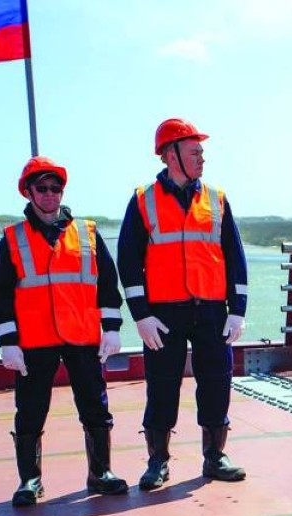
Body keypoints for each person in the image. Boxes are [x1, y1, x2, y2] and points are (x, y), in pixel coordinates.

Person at [0, 157, 128, 506]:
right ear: (29, 192)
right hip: (34, 341)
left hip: (82, 336)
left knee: (95, 404)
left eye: (56, 187)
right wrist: (8, 343)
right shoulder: (13, 239)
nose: (50, 194)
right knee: (30, 410)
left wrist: (112, 328)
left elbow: (107, 285)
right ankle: (30, 480)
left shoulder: (88, 233)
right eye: (42, 188)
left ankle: (100, 472)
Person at [117, 118, 248, 490]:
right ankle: (157, 461)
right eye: (195, 152)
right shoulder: (143, 200)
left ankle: (215, 456)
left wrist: (237, 309)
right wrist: (141, 315)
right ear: (170, 155)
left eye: (202, 152)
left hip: (211, 310)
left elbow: (234, 256)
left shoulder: (217, 199)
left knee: (216, 382)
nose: (202, 158)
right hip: (164, 314)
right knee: (162, 386)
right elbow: (128, 260)